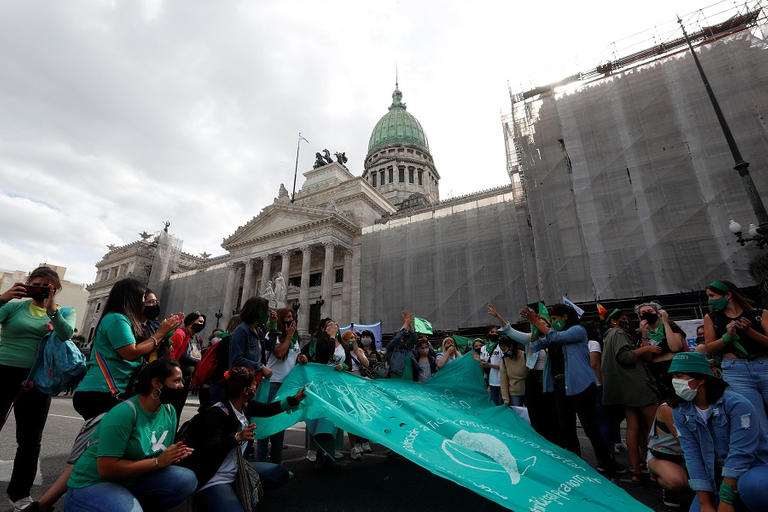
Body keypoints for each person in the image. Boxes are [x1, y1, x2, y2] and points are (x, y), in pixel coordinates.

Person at [63, 359, 197, 512]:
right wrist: (158, 462)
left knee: (186, 479)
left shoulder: (169, 411)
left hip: (130, 481)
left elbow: (159, 454)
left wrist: (174, 456)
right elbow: (106, 469)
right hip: (94, 483)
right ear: (157, 383)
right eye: (177, 381)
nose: (182, 386)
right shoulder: (124, 413)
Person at [0, 267, 76, 512]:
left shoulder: (64, 311)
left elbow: (65, 334)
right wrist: (4, 297)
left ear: (56, 288)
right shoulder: (14, 306)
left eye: (48, 285)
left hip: (38, 379)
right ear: (28, 284)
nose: (42, 287)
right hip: (3, 370)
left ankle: (20, 495)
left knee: (30, 440)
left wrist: (53, 310)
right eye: (37, 283)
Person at [182, 366, 306, 511]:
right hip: (215, 477)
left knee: (280, 473)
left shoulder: (245, 405)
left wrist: (294, 399)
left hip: (237, 469)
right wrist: (236, 438)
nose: (257, 386)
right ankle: (209, 499)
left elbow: (268, 409)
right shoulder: (217, 413)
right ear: (246, 391)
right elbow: (208, 449)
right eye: (254, 384)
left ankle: (235, 490)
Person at [668, 352, 768, 512]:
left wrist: (726, 500)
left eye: (680, 376)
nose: (676, 382)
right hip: (716, 478)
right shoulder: (680, 410)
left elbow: (740, 454)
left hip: (752, 469)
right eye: (674, 376)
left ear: (701, 379)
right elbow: (692, 455)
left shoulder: (736, 404)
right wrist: (705, 503)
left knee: (755, 486)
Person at [526, 303, 617, 475]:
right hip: (561, 387)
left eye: (554, 319)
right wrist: (534, 326)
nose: (552, 322)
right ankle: (577, 465)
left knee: (590, 427)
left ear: (565, 317)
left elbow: (557, 337)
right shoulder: (553, 336)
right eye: (550, 320)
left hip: (581, 386)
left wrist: (538, 322)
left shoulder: (577, 330)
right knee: (566, 428)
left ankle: (607, 464)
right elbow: (534, 346)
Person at [601, 309, 661, 481]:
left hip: (625, 389)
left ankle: (637, 470)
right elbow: (625, 357)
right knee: (653, 427)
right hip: (637, 387)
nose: (626, 322)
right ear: (613, 321)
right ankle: (656, 468)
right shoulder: (618, 333)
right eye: (622, 319)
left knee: (633, 428)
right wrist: (648, 348)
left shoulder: (608, 336)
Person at [702, 280, 768, 436]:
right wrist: (727, 337)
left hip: (764, 364)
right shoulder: (712, 318)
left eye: (712, 296)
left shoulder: (759, 314)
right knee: (756, 420)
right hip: (736, 371)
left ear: (728, 295)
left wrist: (749, 331)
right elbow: (709, 347)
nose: (710, 300)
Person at [488, 302, 558, 445]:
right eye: (537, 323)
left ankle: (553, 440)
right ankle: (538, 440)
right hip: (533, 378)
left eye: (543, 323)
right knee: (535, 412)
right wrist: (497, 316)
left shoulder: (555, 339)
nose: (539, 325)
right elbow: (510, 331)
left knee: (552, 412)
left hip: (550, 378)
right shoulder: (530, 339)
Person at [257, 308, 307, 464]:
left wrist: (301, 358)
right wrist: (290, 335)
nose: (291, 320)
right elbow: (279, 354)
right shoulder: (272, 335)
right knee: (267, 424)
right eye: (287, 317)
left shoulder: (294, 339)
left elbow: (292, 357)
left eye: (292, 317)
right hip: (272, 384)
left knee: (279, 426)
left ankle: (276, 464)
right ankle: (261, 464)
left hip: (287, 385)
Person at [305, 319, 349, 467]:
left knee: (334, 417)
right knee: (320, 416)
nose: (333, 326)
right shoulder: (321, 342)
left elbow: (348, 362)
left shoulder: (342, 344)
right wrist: (330, 338)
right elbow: (324, 356)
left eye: (335, 324)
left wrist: (343, 366)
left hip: (337, 386)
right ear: (324, 329)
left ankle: (331, 450)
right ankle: (317, 450)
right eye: (329, 325)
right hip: (322, 385)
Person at [635, 301, 687, 398]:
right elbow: (648, 358)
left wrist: (665, 322)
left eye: (650, 311)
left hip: (675, 367)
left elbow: (675, 347)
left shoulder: (671, 326)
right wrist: (644, 334)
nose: (647, 313)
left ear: (658, 313)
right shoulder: (639, 335)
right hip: (657, 373)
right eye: (643, 313)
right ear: (639, 317)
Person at [647, 398, 689, 508]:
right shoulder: (668, 408)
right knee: (676, 482)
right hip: (665, 456)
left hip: (689, 456)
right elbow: (685, 441)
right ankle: (659, 476)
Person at [168, 311, 206, 421]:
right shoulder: (180, 334)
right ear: (191, 321)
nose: (202, 324)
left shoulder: (198, 339)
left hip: (186, 380)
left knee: (178, 409)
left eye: (203, 322)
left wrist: (194, 380)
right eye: (199, 321)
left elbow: (198, 360)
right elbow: (172, 356)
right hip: (175, 380)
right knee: (172, 408)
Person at [342, 330, 371, 459]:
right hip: (348, 386)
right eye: (349, 338)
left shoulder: (359, 351)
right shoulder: (342, 352)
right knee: (351, 415)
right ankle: (354, 445)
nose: (352, 340)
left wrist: (356, 350)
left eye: (354, 337)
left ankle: (364, 440)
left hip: (360, 387)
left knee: (363, 414)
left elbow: (366, 364)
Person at [229, 297, 272, 379]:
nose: (268, 314)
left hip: (254, 378)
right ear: (258, 312)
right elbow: (236, 359)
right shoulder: (241, 331)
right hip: (242, 379)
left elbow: (270, 347)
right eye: (266, 311)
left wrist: (273, 327)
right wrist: (261, 367)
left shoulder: (259, 331)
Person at [386, 311, 418, 381]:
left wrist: (410, 324)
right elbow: (397, 338)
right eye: (402, 338)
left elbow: (414, 338)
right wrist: (406, 323)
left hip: (410, 379)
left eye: (404, 338)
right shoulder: (391, 348)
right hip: (397, 379)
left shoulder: (407, 349)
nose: (402, 340)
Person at [498, 335, 527, 407]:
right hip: (514, 394)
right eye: (502, 350)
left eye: (505, 349)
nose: (504, 352)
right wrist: (506, 399)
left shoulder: (525, 356)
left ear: (511, 346)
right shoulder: (504, 360)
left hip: (528, 392)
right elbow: (503, 381)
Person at [480, 326, 504, 405]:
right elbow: (482, 364)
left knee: (502, 404)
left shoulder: (501, 346)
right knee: (494, 404)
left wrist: (489, 364)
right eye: (492, 332)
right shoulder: (483, 348)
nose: (495, 334)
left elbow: (505, 366)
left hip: (502, 381)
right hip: (491, 382)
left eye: (496, 332)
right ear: (488, 334)